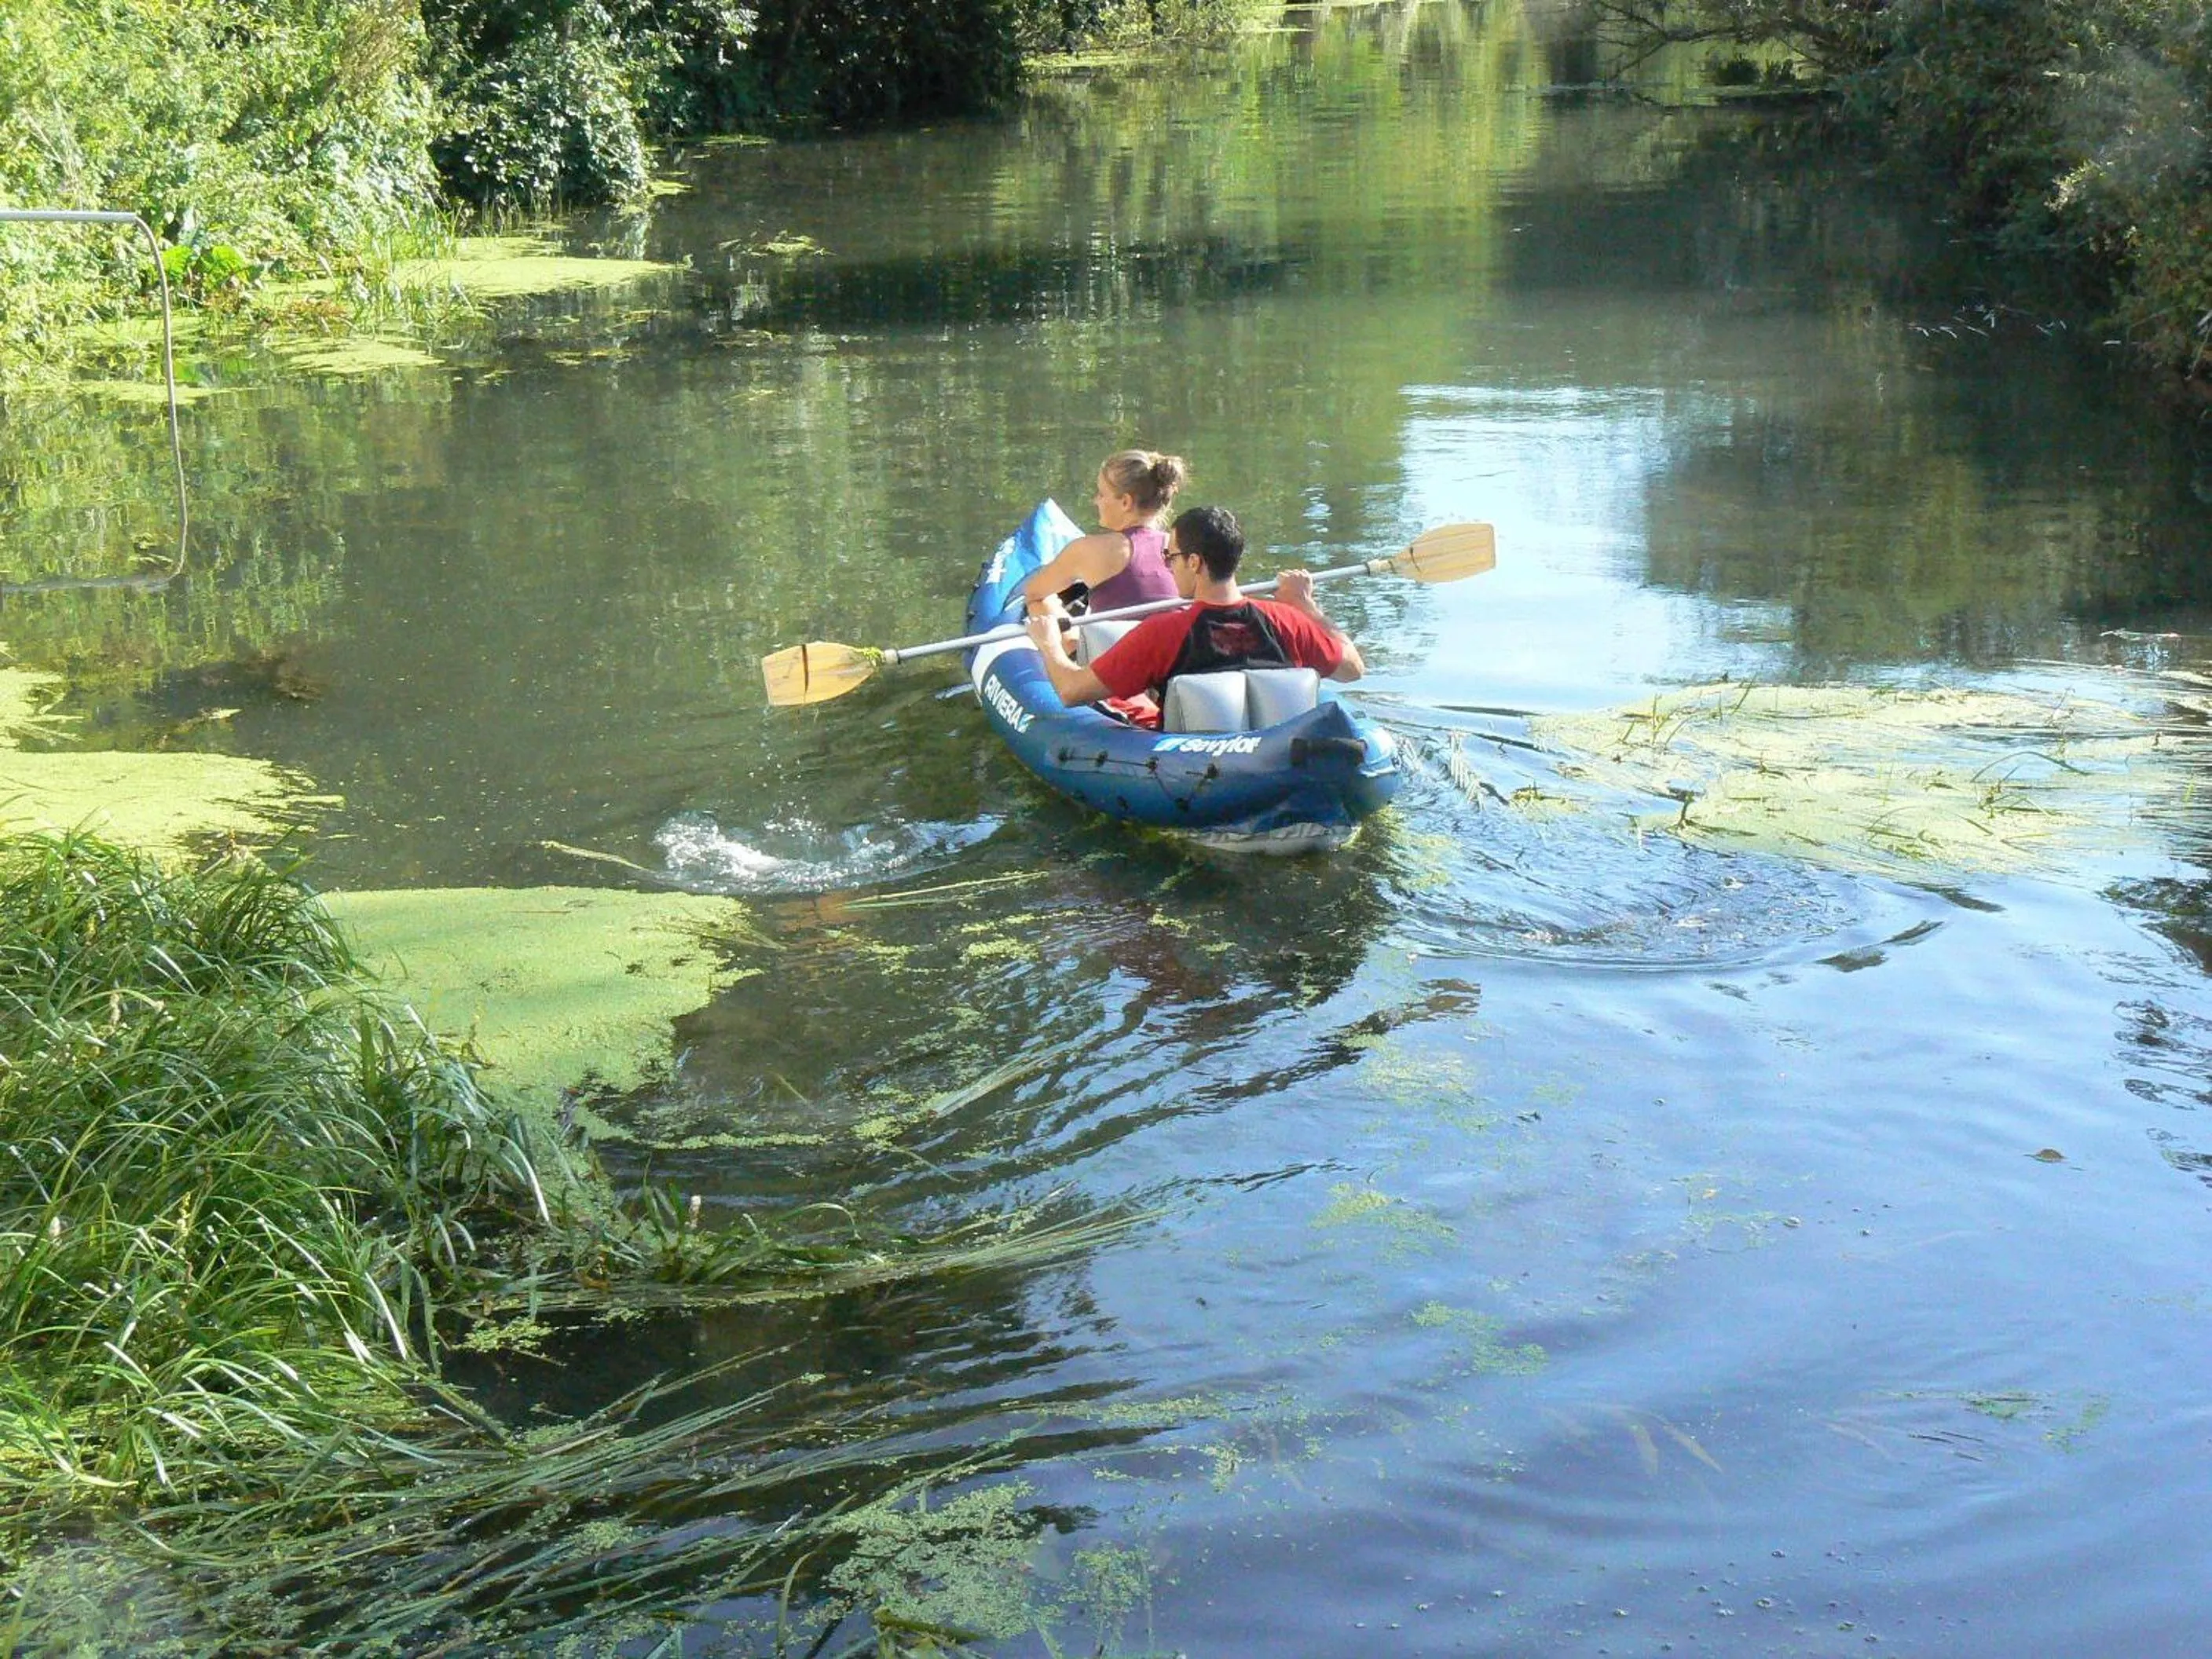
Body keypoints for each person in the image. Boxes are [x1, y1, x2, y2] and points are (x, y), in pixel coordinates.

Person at [1026, 504, 1364, 712]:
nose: (1167, 566)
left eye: (1169, 557)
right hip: (1274, 754)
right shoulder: (1287, 620)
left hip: (1194, 772)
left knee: (1118, 702)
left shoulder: (1164, 633)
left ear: (1194, 562)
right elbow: (1352, 669)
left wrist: (1050, 645)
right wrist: (1308, 607)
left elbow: (1072, 692)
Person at [1021, 449, 1188, 617]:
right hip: (1183, 640)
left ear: (1125, 502)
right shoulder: (1184, 549)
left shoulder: (1087, 550)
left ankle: (1067, 643)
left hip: (1122, 642)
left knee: (1038, 602)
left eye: (1101, 494)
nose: (1096, 501)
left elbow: (1033, 592)